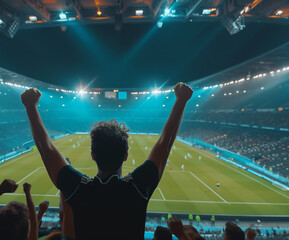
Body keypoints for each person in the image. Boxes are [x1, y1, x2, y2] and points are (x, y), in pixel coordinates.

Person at [21, 82, 193, 239]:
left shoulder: (79, 189)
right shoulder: (137, 188)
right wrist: (181, 100)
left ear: (93, 155)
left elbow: (46, 148)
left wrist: (31, 107)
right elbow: (166, 143)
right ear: (125, 156)